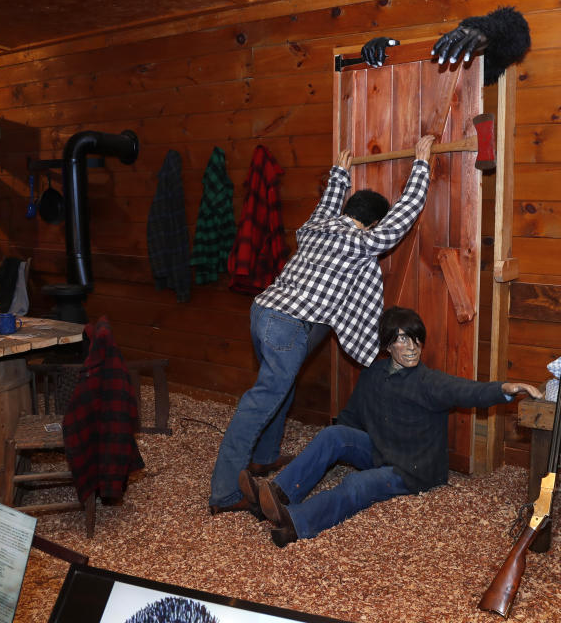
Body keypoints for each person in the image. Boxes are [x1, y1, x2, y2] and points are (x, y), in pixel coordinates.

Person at [209, 136, 436, 514]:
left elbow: (328, 203)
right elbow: (404, 216)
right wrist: (422, 165)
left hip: (263, 312)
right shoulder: (362, 240)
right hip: (288, 325)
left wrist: (339, 175)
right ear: (371, 223)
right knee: (261, 399)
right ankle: (224, 492)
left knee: (279, 381)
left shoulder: (317, 225)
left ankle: (265, 456)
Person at [238, 306, 542, 547]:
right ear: (387, 345)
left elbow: (468, 390)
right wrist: (328, 450)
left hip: (412, 469)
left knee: (357, 485)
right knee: (333, 434)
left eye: (415, 338)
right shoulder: (374, 374)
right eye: (400, 338)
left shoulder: (429, 382)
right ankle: (278, 495)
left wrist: (505, 388)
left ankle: (294, 523)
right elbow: (351, 418)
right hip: (382, 448)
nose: (411, 347)